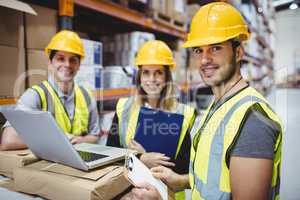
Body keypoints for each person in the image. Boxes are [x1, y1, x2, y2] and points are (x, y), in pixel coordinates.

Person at [127, 2, 284, 200]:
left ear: (238, 53)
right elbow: (215, 177)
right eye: (199, 50)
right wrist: (182, 180)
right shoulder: (218, 105)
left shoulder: (251, 120)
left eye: (215, 48)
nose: (204, 60)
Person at [107, 40, 196, 200]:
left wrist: (144, 156)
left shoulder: (182, 114)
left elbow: (183, 169)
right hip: (129, 193)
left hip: (165, 195)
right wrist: (141, 158)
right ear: (139, 75)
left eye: (158, 73)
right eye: (146, 72)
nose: (152, 79)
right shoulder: (124, 108)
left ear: (167, 76)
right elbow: (110, 155)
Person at [0, 30, 100, 150]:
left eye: (73, 60)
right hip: (48, 163)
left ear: (79, 65)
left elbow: (94, 136)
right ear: (50, 62)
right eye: (61, 58)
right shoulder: (35, 96)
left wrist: (82, 140)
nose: (67, 64)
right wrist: (57, 140)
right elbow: (9, 140)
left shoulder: (87, 96)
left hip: (81, 162)